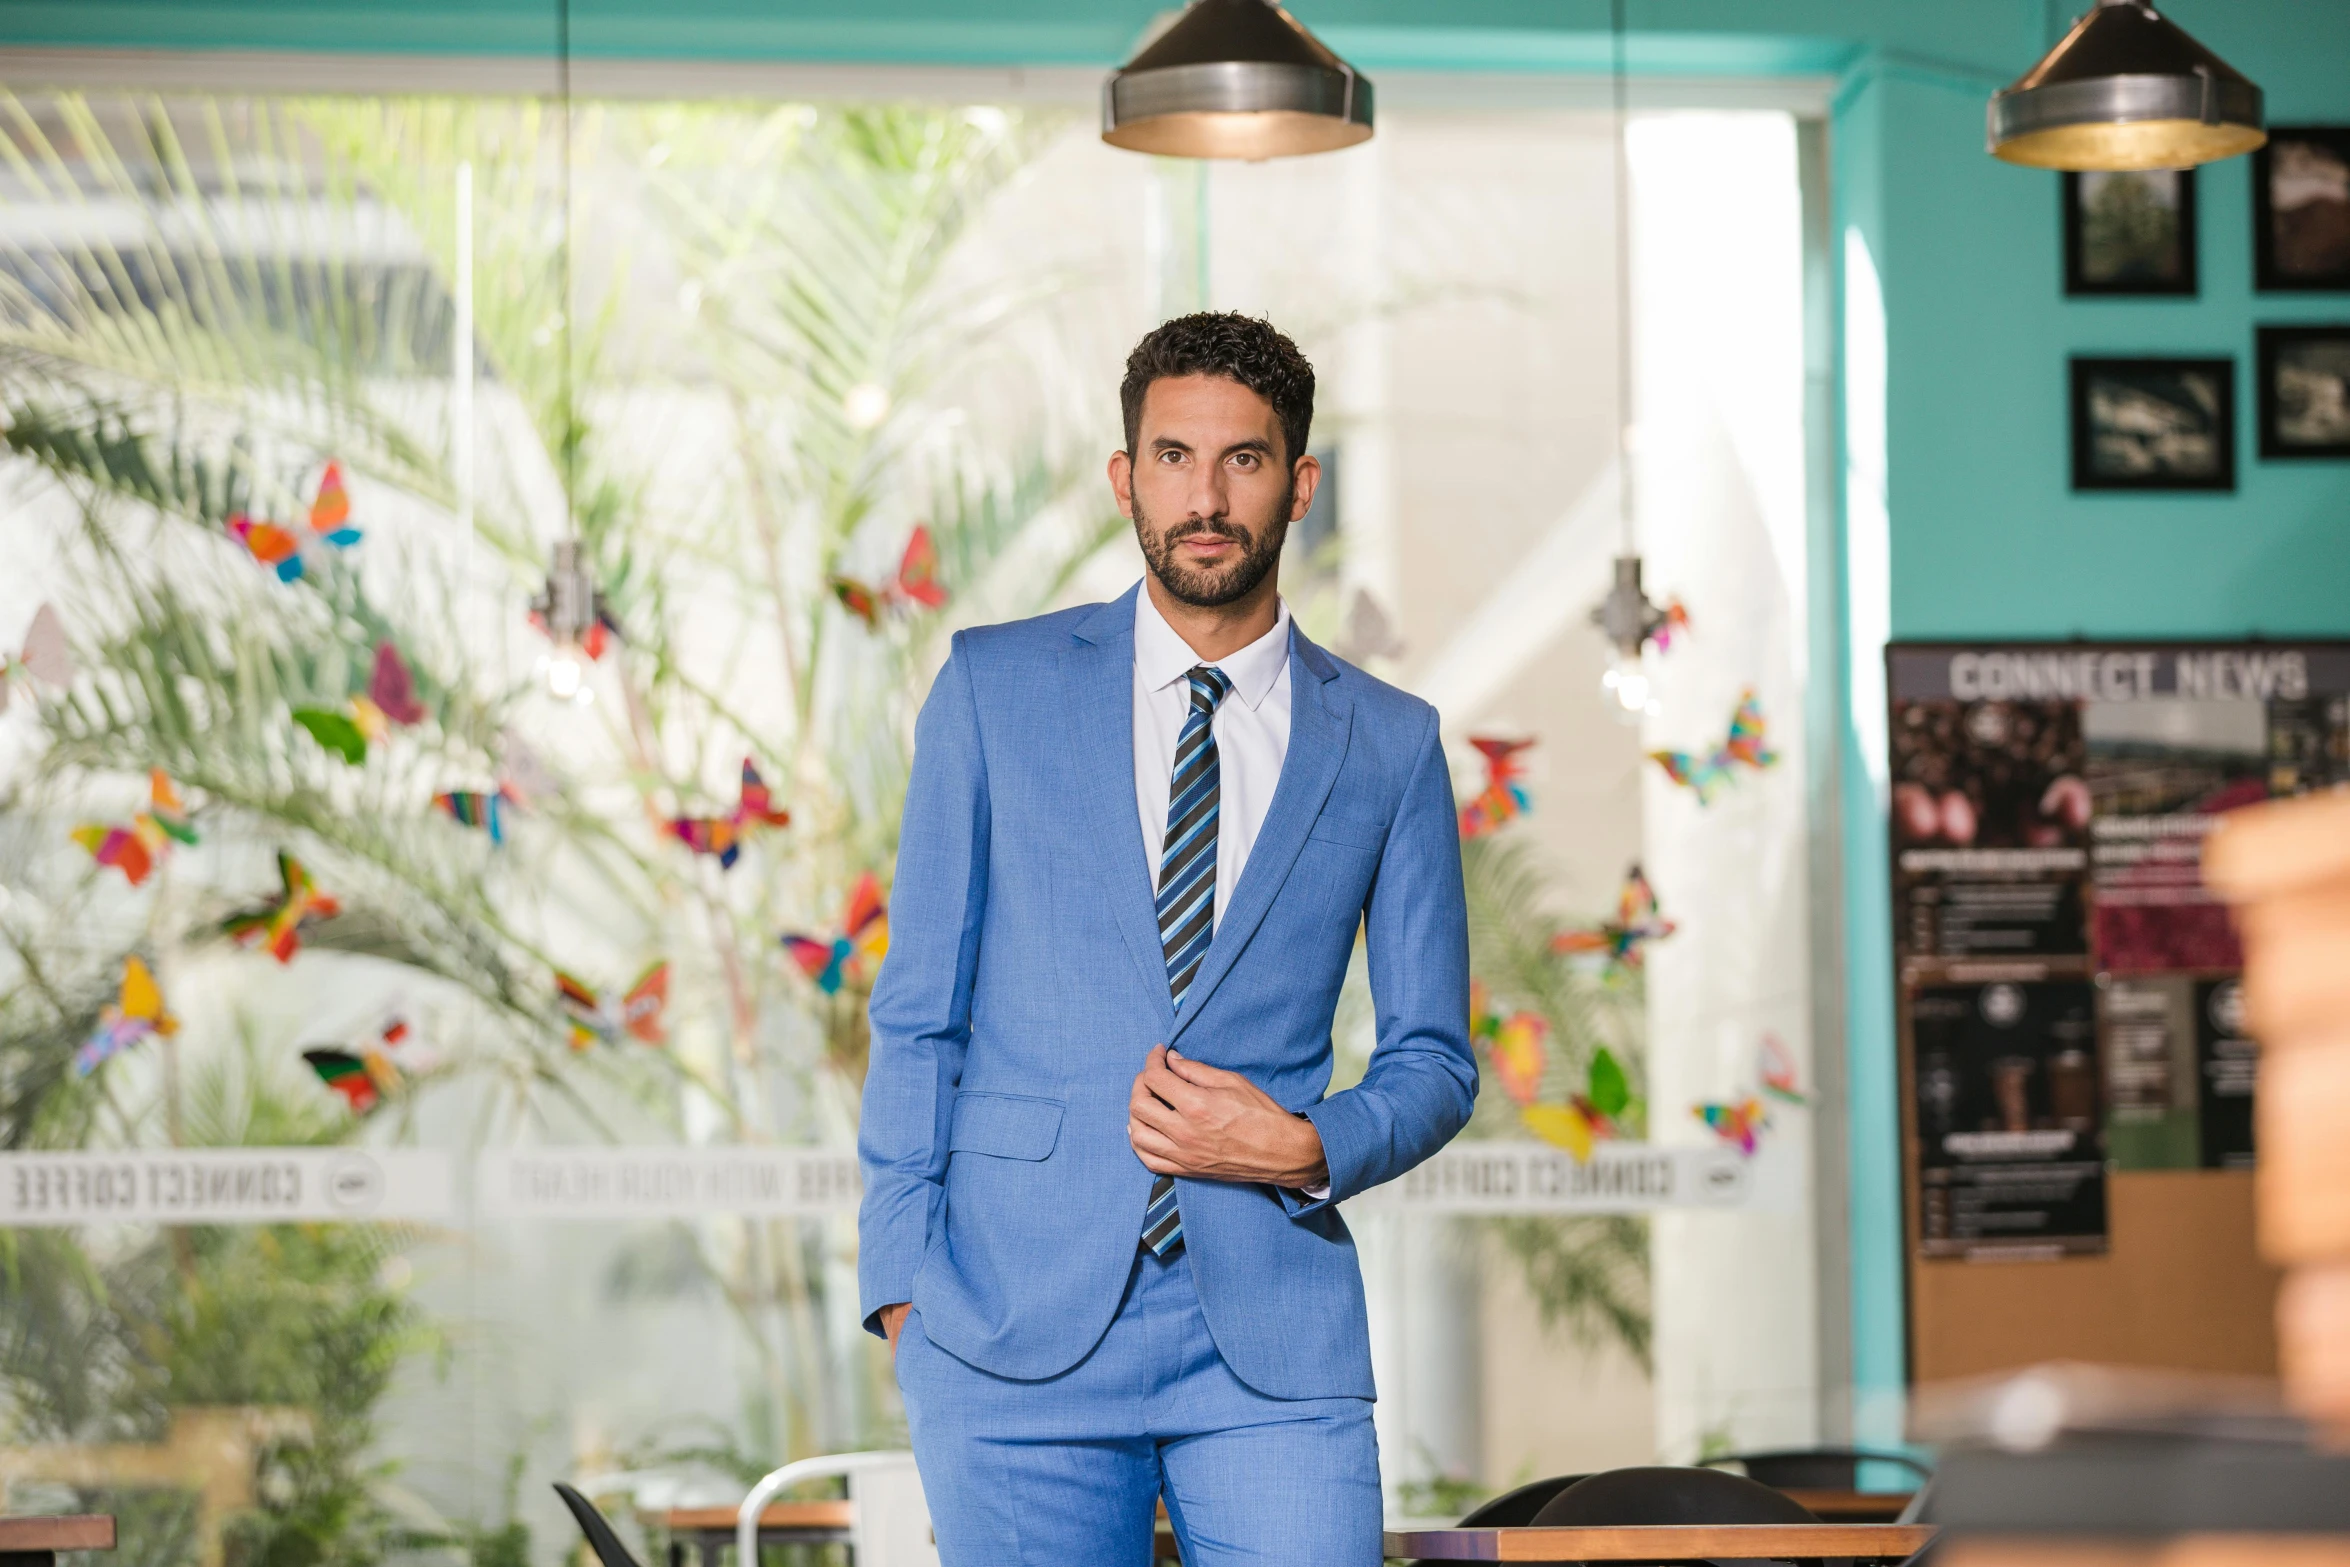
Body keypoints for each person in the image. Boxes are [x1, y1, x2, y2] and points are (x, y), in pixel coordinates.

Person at [857, 311, 1475, 1566]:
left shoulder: (1392, 743)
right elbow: (919, 1010)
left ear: (1298, 484)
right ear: (1124, 476)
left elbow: (1433, 1059)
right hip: (1006, 1325)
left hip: (1269, 1330)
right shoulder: (993, 687)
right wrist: (901, 1297)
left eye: (1242, 459)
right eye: (1173, 456)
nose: (1205, 494)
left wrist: (1307, 1143)